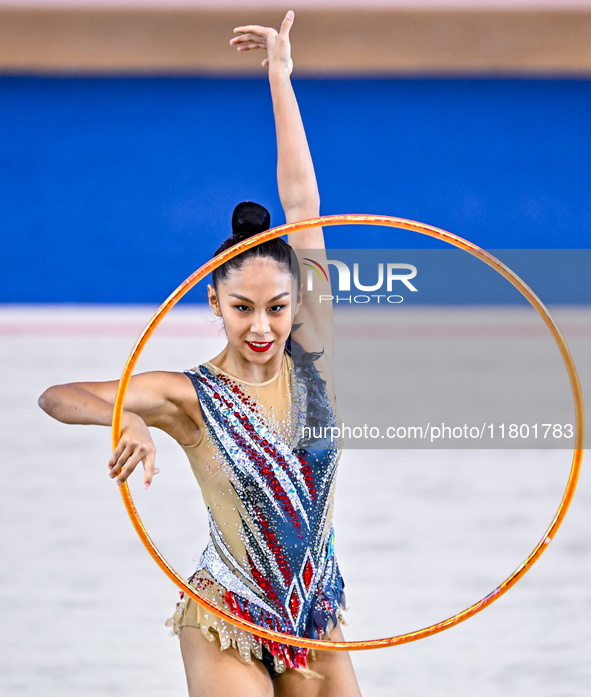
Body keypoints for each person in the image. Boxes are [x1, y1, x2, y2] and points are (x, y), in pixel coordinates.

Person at [38, 10, 362, 697]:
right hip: (226, 614)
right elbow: (58, 395)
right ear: (214, 303)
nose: (261, 326)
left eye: (277, 307)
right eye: (242, 308)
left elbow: (303, 203)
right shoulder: (190, 395)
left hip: (313, 611)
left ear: (297, 302)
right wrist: (123, 418)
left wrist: (280, 76)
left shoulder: (317, 354)